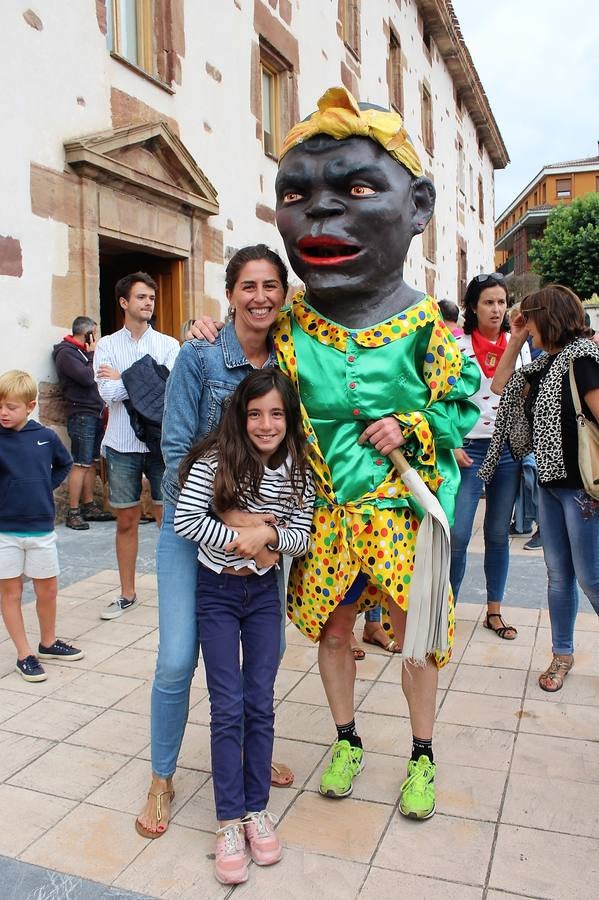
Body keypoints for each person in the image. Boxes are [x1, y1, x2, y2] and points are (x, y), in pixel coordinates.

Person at [196, 88, 481, 817]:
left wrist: (411, 425)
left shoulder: (426, 326)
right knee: (332, 628)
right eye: (297, 193)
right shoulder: (290, 323)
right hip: (320, 513)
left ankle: (421, 754)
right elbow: (247, 350)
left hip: (399, 514)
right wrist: (213, 331)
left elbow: (458, 404)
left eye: (355, 188)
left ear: (416, 206)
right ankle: (346, 737)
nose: (321, 211)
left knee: (415, 636)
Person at [135, 245, 294, 841]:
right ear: (228, 295)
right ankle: (162, 775)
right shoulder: (198, 357)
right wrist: (238, 522)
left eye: (270, 286)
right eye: (248, 286)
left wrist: (267, 532)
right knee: (179, 656)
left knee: (264, 657)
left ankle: (252, 757)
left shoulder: (292, 355)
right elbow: (175, 454)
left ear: (284, 294)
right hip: (194, 528)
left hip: (266, 535)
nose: (260, 297)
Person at [173, 368, 314, 885]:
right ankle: (228, 819)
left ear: (288, 417)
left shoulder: (298, 467)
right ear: (240, 414)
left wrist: (263, 535)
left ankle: (257, 809)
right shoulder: (216, 461)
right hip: (216, 592)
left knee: (260, 700)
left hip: (261, 596)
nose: (265, 423)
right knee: (226, 705)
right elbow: (187, 522)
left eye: (276, 413)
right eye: (256, 413)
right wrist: (242, 540)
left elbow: (305, 532)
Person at [481, 285, 599, 692]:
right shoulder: (545, 364)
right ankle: (561, 654)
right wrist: (514, 339)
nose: (525, 327)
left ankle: (563, 653)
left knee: (591, 578)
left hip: (582, 489)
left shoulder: (583, 358)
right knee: (558, 576)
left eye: (528, 319)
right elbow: (500, 385)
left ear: (546, 317)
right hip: (551, 485)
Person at [94, 272, 179, 620]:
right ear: (124, 302)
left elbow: (169, 394)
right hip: (121, 444)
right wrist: (146, 377)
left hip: (161, 444)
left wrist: (125, 376)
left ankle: (173, 591)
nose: (148, 303)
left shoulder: (169, 345)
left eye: (152, 298)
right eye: (141, 297)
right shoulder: (107, 345)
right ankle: (127, 592)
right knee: (126, 520)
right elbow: (106, 393)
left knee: (168, 519)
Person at [450, 273, 530, 640]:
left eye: (501, 302)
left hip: (507, 449)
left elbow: (526, 395)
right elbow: (439, 397)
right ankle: (445, 610)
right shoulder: (456, 344)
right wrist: (450, 441)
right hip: (467, 448)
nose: (496, 309)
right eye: (488, 302)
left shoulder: (520, 344)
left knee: (498, 533)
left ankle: (494, 611)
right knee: (459, 533)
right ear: (473, 306)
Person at [0, 370, 83, 682]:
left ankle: (47, 643)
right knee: (10, 593)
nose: (4, 413)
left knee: (47, 589)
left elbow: (65, 463)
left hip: (41, 530)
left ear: (30, 406)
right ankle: (24, 654)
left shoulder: (45, 437)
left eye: (11, 406)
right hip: (4, 532)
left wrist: (42, 487)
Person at [52, 316, 114, 530]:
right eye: (93, 333)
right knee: (80, 463)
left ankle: (89, 506)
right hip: (81, 414)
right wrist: (92, 353)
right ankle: (73, 511)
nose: (96, 338)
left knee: (92, 462)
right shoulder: (66, 353)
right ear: (86, 334)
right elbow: (88, 377)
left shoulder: (81, 353)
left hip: (95, 412)